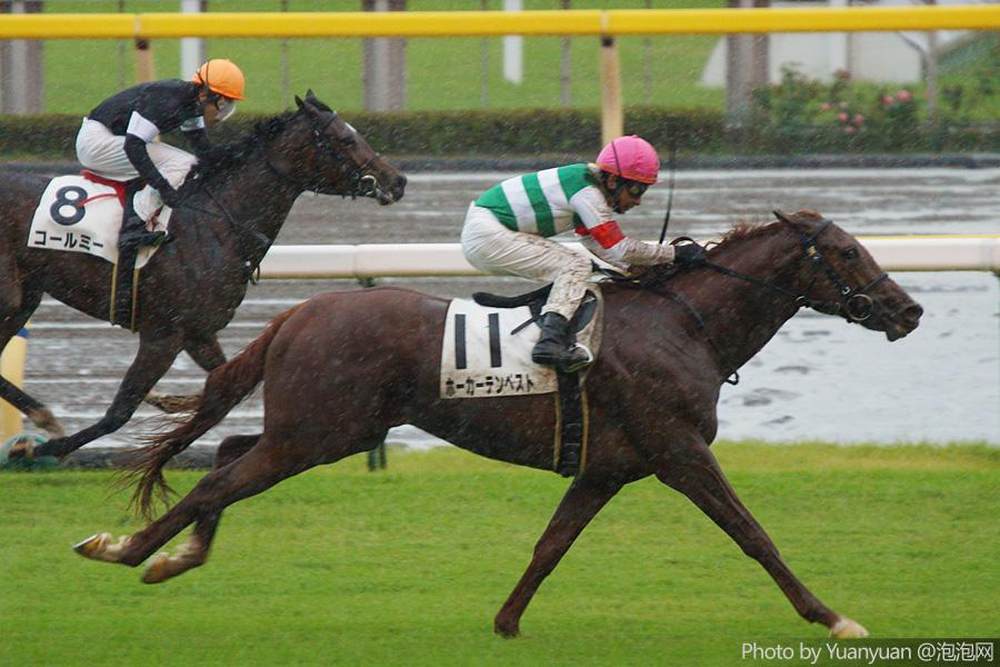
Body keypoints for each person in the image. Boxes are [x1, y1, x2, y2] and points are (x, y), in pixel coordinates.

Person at [461, 135, 705, 372]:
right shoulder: (587, 193)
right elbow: (619, 247)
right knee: (576, 265)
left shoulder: (586, 185)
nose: (638, 200)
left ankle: (554, 332)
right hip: (487, 233)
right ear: (613, 181)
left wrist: (631, 269)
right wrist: (674, 253)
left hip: (484, 231)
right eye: (636, 189)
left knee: (581, 268)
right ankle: (549, 342)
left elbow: (593, 241)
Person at [75, 58, 246, 249]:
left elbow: (204, 152)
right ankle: (135, 226)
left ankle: (138, 218)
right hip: (96, 142)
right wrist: (163, 188)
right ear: (206, 94)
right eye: (223, 104)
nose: (223, 114)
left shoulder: (191, 105)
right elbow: (133, 146)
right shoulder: (169, 101)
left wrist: (240, 154)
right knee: (184, 163)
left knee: (186, 162)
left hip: (109, 139)